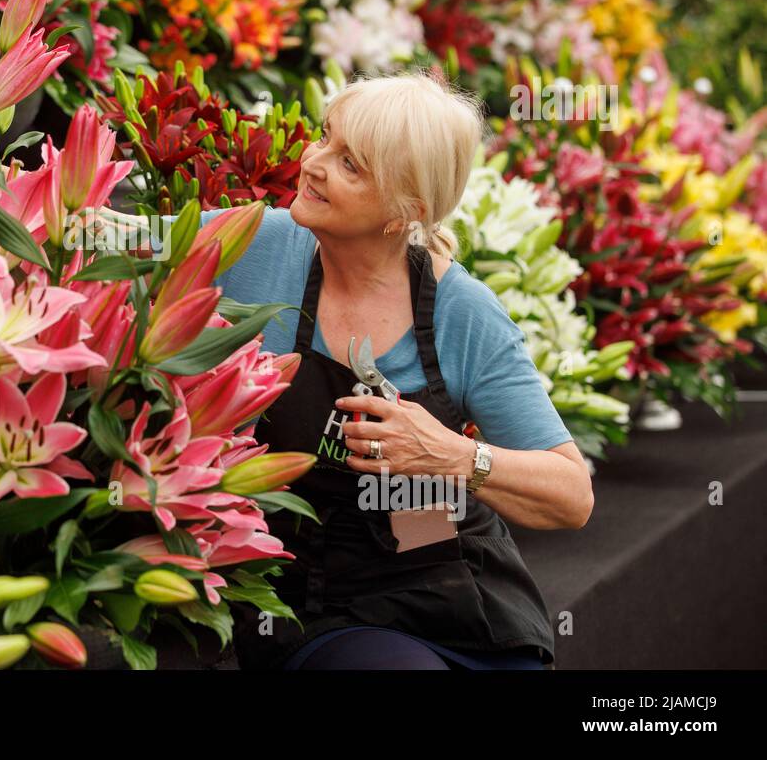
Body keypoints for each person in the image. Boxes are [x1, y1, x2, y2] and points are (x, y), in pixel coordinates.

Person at [160, 73, 593, 669]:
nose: (313, 163)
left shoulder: (461, 312)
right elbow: (99, 239)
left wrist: (454, 458)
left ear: (404, 212)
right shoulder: (252, 245)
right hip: (314, 606)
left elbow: (571, 496)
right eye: (325, 139)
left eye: (351, 165)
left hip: (452, 593)